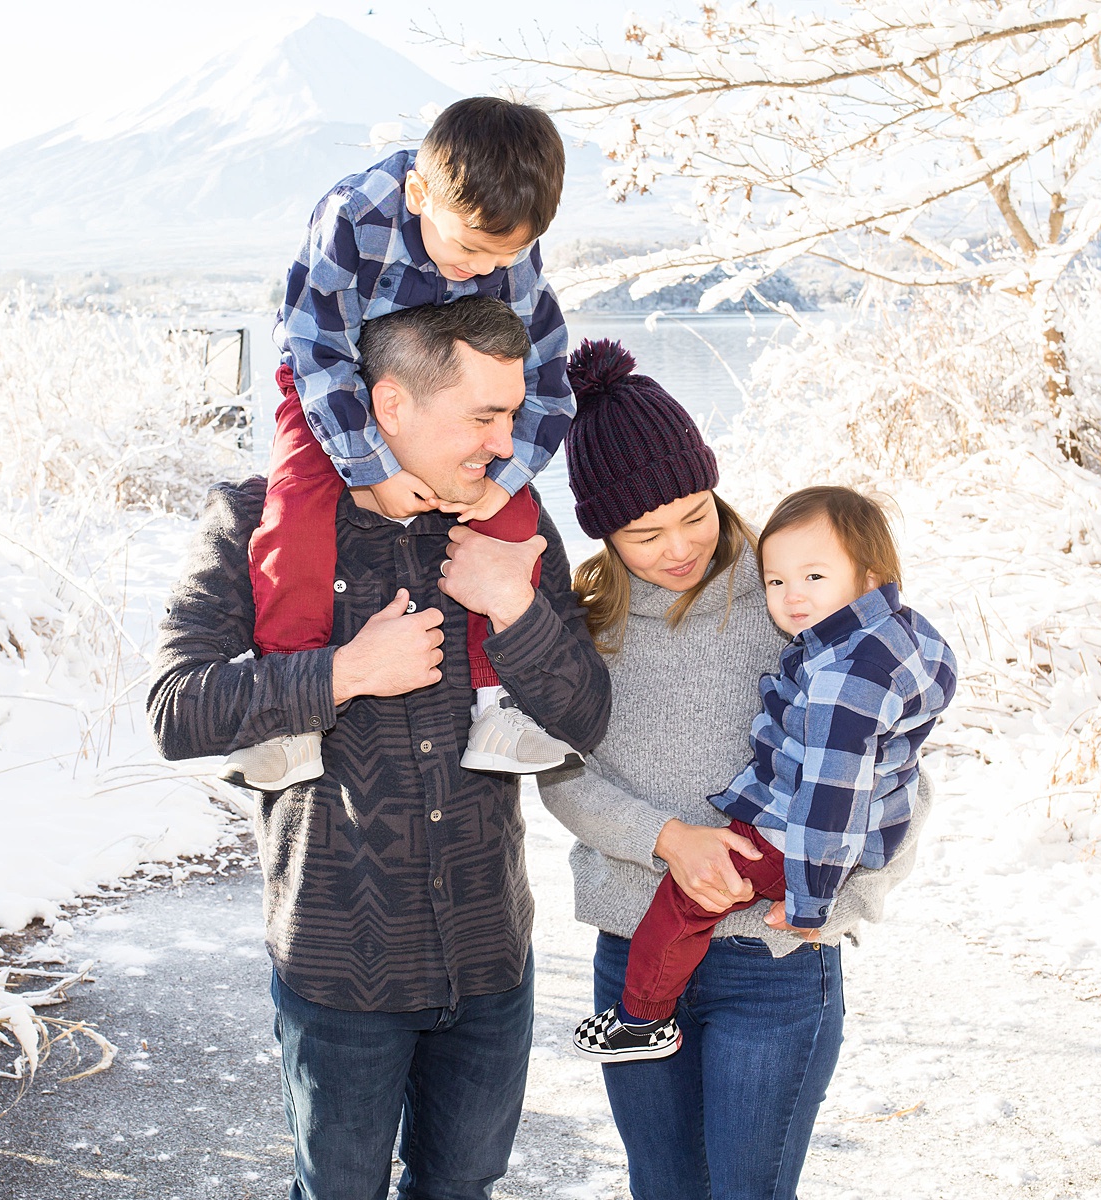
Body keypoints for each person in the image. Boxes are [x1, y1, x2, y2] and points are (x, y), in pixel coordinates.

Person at [148, 299, 611, 1200]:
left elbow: (587, 717)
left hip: (488, 956)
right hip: (336, 964)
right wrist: (344, 673)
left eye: (513, 413)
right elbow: (176, 710)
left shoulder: (509, 525)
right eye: (484, 416)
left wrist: (512, 610)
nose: (506, 439)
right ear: (391, 405)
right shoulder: (256, 521)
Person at [538, 339, 937, 1200]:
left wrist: (844, 899)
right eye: (644, 533)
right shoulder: (587, 619)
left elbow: (893, 764)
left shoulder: (790, 595)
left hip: (774, 960)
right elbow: (559, 774)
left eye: (694, 513)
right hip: (635, 945)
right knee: (664, 1186)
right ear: (604, 529)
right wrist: (667, 840)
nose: (679, 547)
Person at [226, 95, 579, 791]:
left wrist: (500, 484)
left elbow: (546, 380)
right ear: (420, 193)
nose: (481, 271)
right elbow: (314, 346)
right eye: (470, 248)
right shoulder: (356, 215)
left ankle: (496, 702)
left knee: (510, 523)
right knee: (296, 510)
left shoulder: (513, 248)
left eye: (503, 256)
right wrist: (369, 467)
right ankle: (290, 710)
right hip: (336, 384)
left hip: (453, 400)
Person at [574, 484, 957, 1062]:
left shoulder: (842, 678)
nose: (791, 597)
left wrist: (813, 901)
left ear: (870, 575)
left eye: (813, 578)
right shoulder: (895, 635)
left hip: (791, 844)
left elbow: (834, 795)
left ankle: (643, 1017)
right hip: (805, 836)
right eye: (776, 582)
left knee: (684, 906)